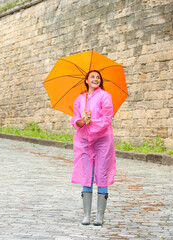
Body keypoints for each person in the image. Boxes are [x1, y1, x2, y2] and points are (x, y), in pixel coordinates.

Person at [70, 70, 116, 226]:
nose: (96, 79)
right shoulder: (80, 99)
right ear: (87, 80)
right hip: (84, 141)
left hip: (102, 140)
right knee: (86, 175)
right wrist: (82, 121)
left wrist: (92, 123)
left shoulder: (105, 96)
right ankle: (87, 215)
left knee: (102, 174)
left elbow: (107, 118)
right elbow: (75, 119)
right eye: (92, 77)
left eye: (98, 77)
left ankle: (100, 216)